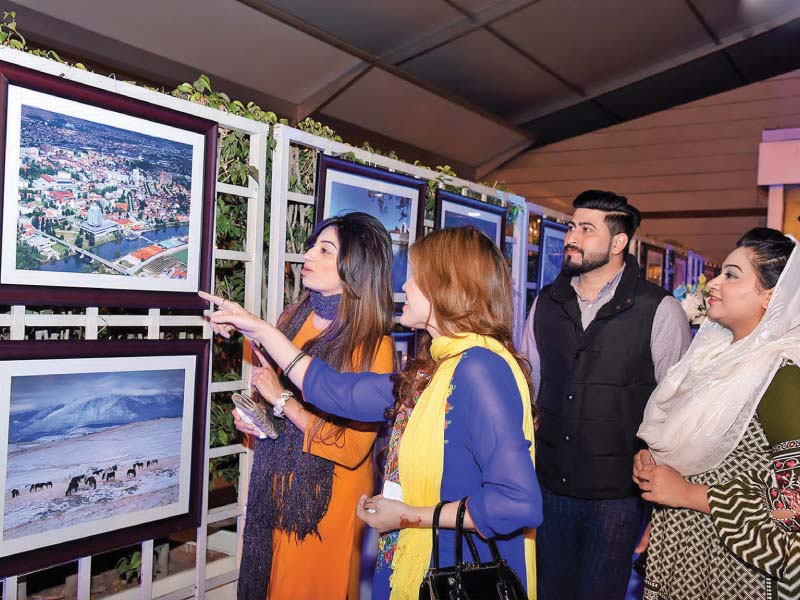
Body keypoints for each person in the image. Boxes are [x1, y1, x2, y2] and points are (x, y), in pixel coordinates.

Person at [204, 226, 543, 600]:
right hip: (413, 566)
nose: (406, 285)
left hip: (456, 572)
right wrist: (259, 329)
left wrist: (408, 515)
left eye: (416, 276)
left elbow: (517, 504)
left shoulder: (480, 369)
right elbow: (338, 392)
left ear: (447, 287)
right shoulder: (436, 368)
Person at [206, 212, 396, 600]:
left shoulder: (374, 346)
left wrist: (281, 400)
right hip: (276, 491)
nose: (308, 254)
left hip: (324, 504)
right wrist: (258, 418)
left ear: (354, 268)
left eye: (324, 249)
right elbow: (271, 389)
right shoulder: (293, 317)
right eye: (312, 245)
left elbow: (351, 448)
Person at [521, 190, 691, 600]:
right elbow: (530, 386)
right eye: (571, 227)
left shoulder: (659, 309)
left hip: (618, 499)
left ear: (618, 243)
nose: (570, 237)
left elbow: (679, 406)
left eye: (585, 229)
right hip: (549, 488)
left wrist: (663, 502)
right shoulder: (547, 301)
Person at [635, 228, 800, 599]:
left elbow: (795, 503)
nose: (713, 284)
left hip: (737, 574)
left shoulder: (781, 374)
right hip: (685, 553)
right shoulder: (711, 361)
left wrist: (689, 494)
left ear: (770, 297)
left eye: (732, 275)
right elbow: (700, 447)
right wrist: (657, 463)